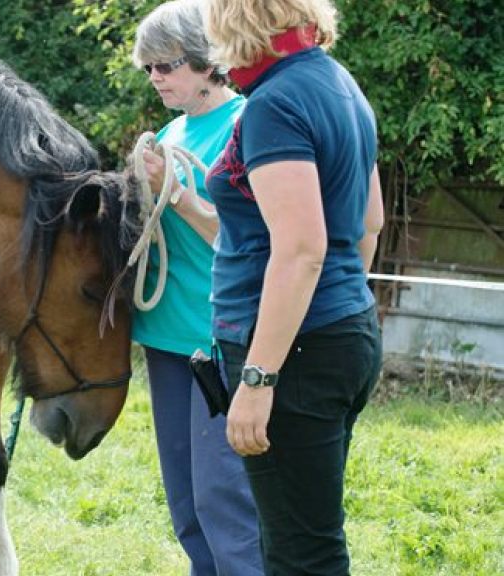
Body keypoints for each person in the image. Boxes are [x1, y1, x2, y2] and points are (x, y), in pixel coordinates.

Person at [205, 0, 385, 573]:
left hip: (295, 353)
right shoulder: (340, 84)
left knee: (302, 554)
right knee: (299, 535)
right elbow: (370, 221)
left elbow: (303, 250)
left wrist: (259, 378)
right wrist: (341, 304)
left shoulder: (275, 103)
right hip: (340, 331)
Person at [130, 2, 263, 574]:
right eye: (149, 68)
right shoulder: (172, 131)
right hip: (166, 338)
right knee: (186, 504)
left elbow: (246, 239)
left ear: (207, 61)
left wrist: (176, 191)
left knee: (224, 501)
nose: (156, 77)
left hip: (218, 340)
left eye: (166, 65)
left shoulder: (246, 124)